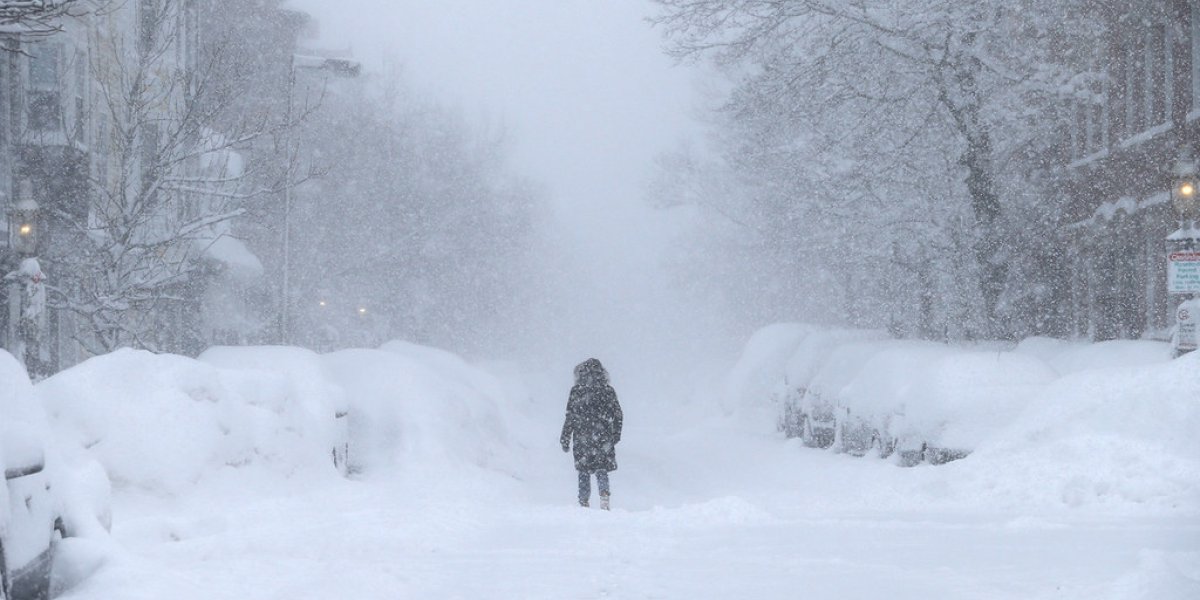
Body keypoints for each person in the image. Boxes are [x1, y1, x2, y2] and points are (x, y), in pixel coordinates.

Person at [560, 358, 623, 510]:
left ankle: (583, 501)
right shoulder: (608, 390)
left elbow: (570, 416)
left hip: (582, 435)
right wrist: (616, 433)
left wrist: (565, 437)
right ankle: (604, 497)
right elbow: (618, 414)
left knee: (583, 469)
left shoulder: (577, 391)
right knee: (601, 467)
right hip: (603, 434)